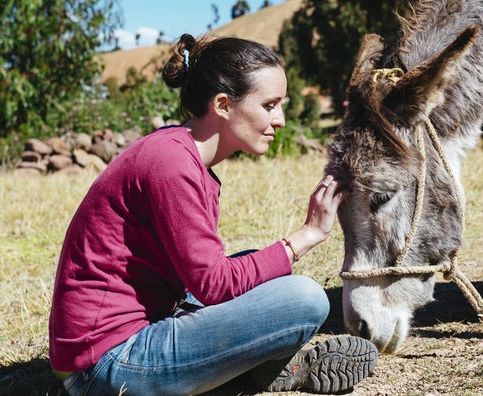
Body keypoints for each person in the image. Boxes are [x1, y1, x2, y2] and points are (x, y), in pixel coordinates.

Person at [48, 33, 378, 396]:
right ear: (223, 104)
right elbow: (214, 284)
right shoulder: (170, 162)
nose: (280, 119)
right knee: (305, 298)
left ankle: (242, 372)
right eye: (269, 105)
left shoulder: (182, 155)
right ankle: (255, 373)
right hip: (105, 365)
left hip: (131, 337)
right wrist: (308, 234)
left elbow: (201, 277)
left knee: (261, 275)